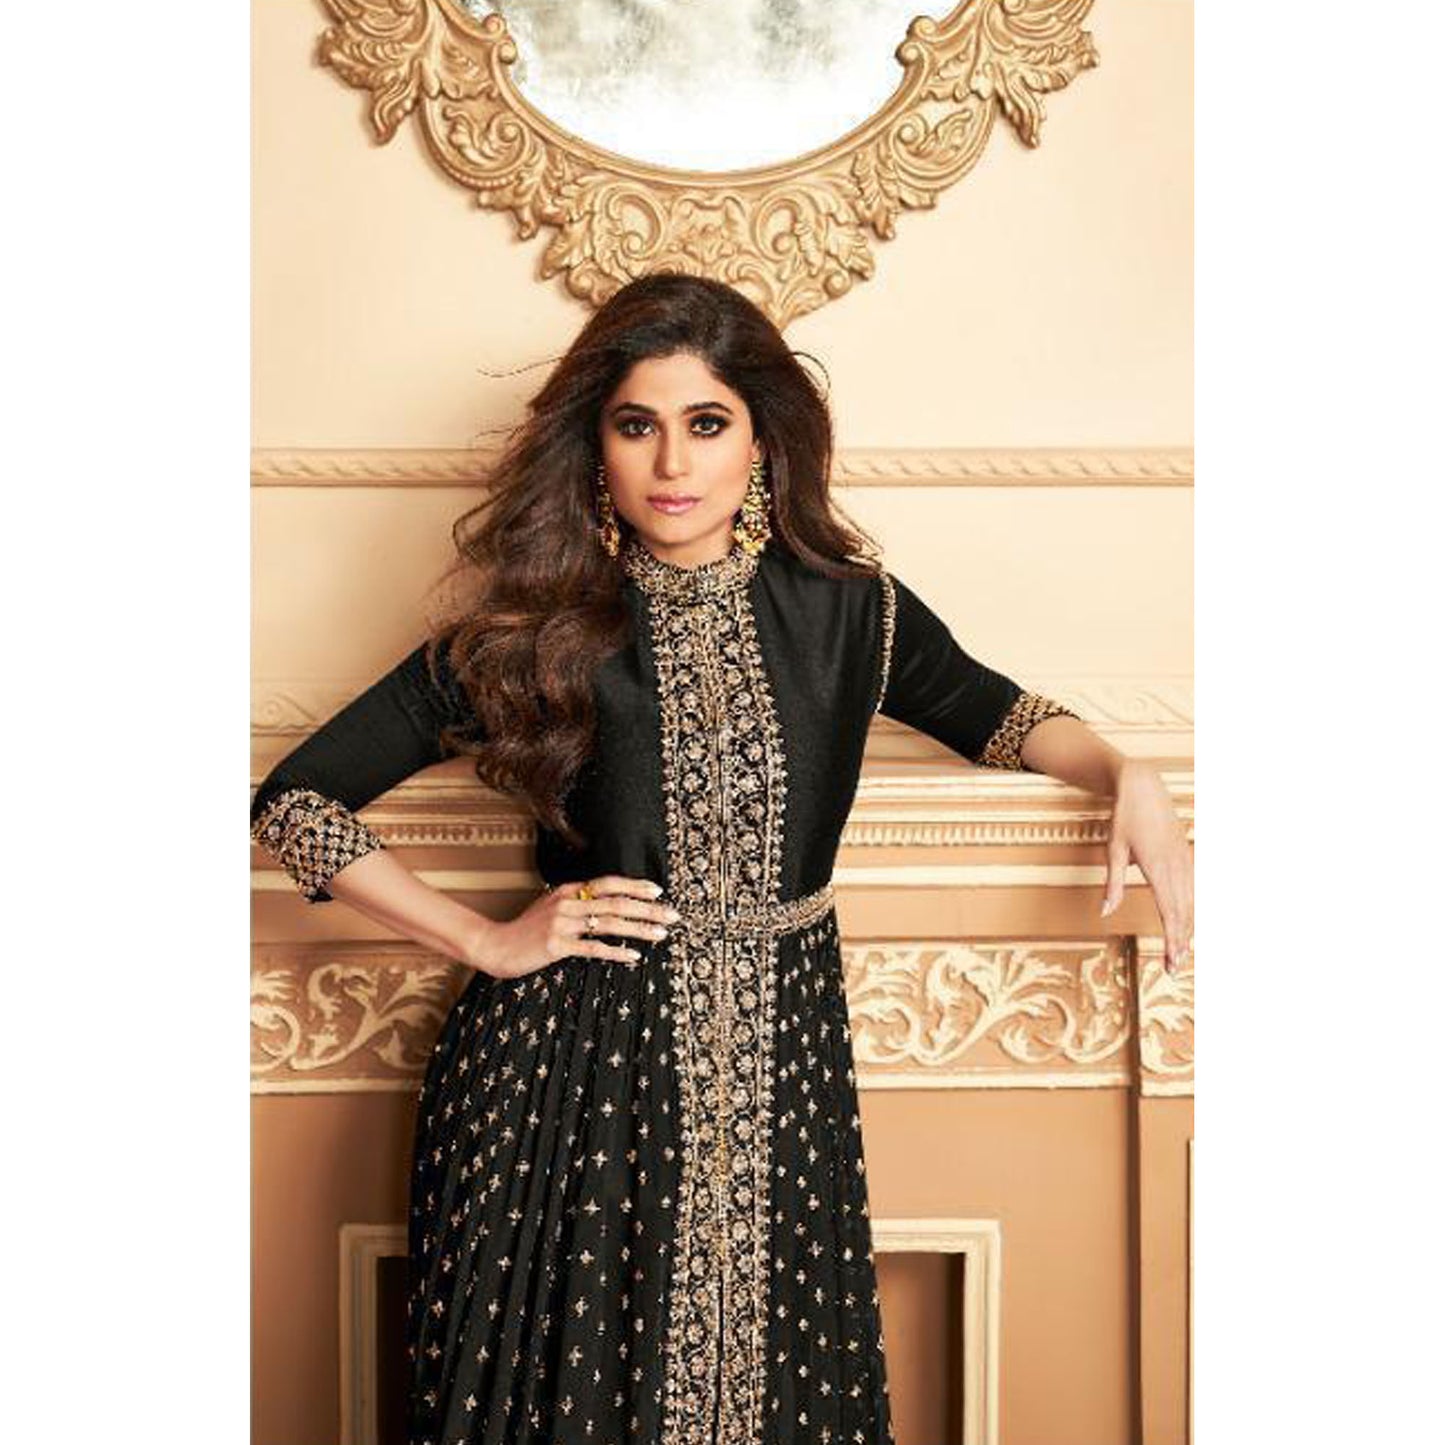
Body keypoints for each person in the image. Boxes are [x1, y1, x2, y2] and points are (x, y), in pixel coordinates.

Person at [250, 272, 1194, 1445]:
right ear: (594, 444)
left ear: (761, 438)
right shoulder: (534, 628)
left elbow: (997, 715)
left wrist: (1124, 772)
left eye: (705, 423)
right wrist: (486, 937)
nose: (671, 463)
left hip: (783, 1067)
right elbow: (295, 798)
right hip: (572, 1078)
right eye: (634, 424)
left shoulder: (848, 610)